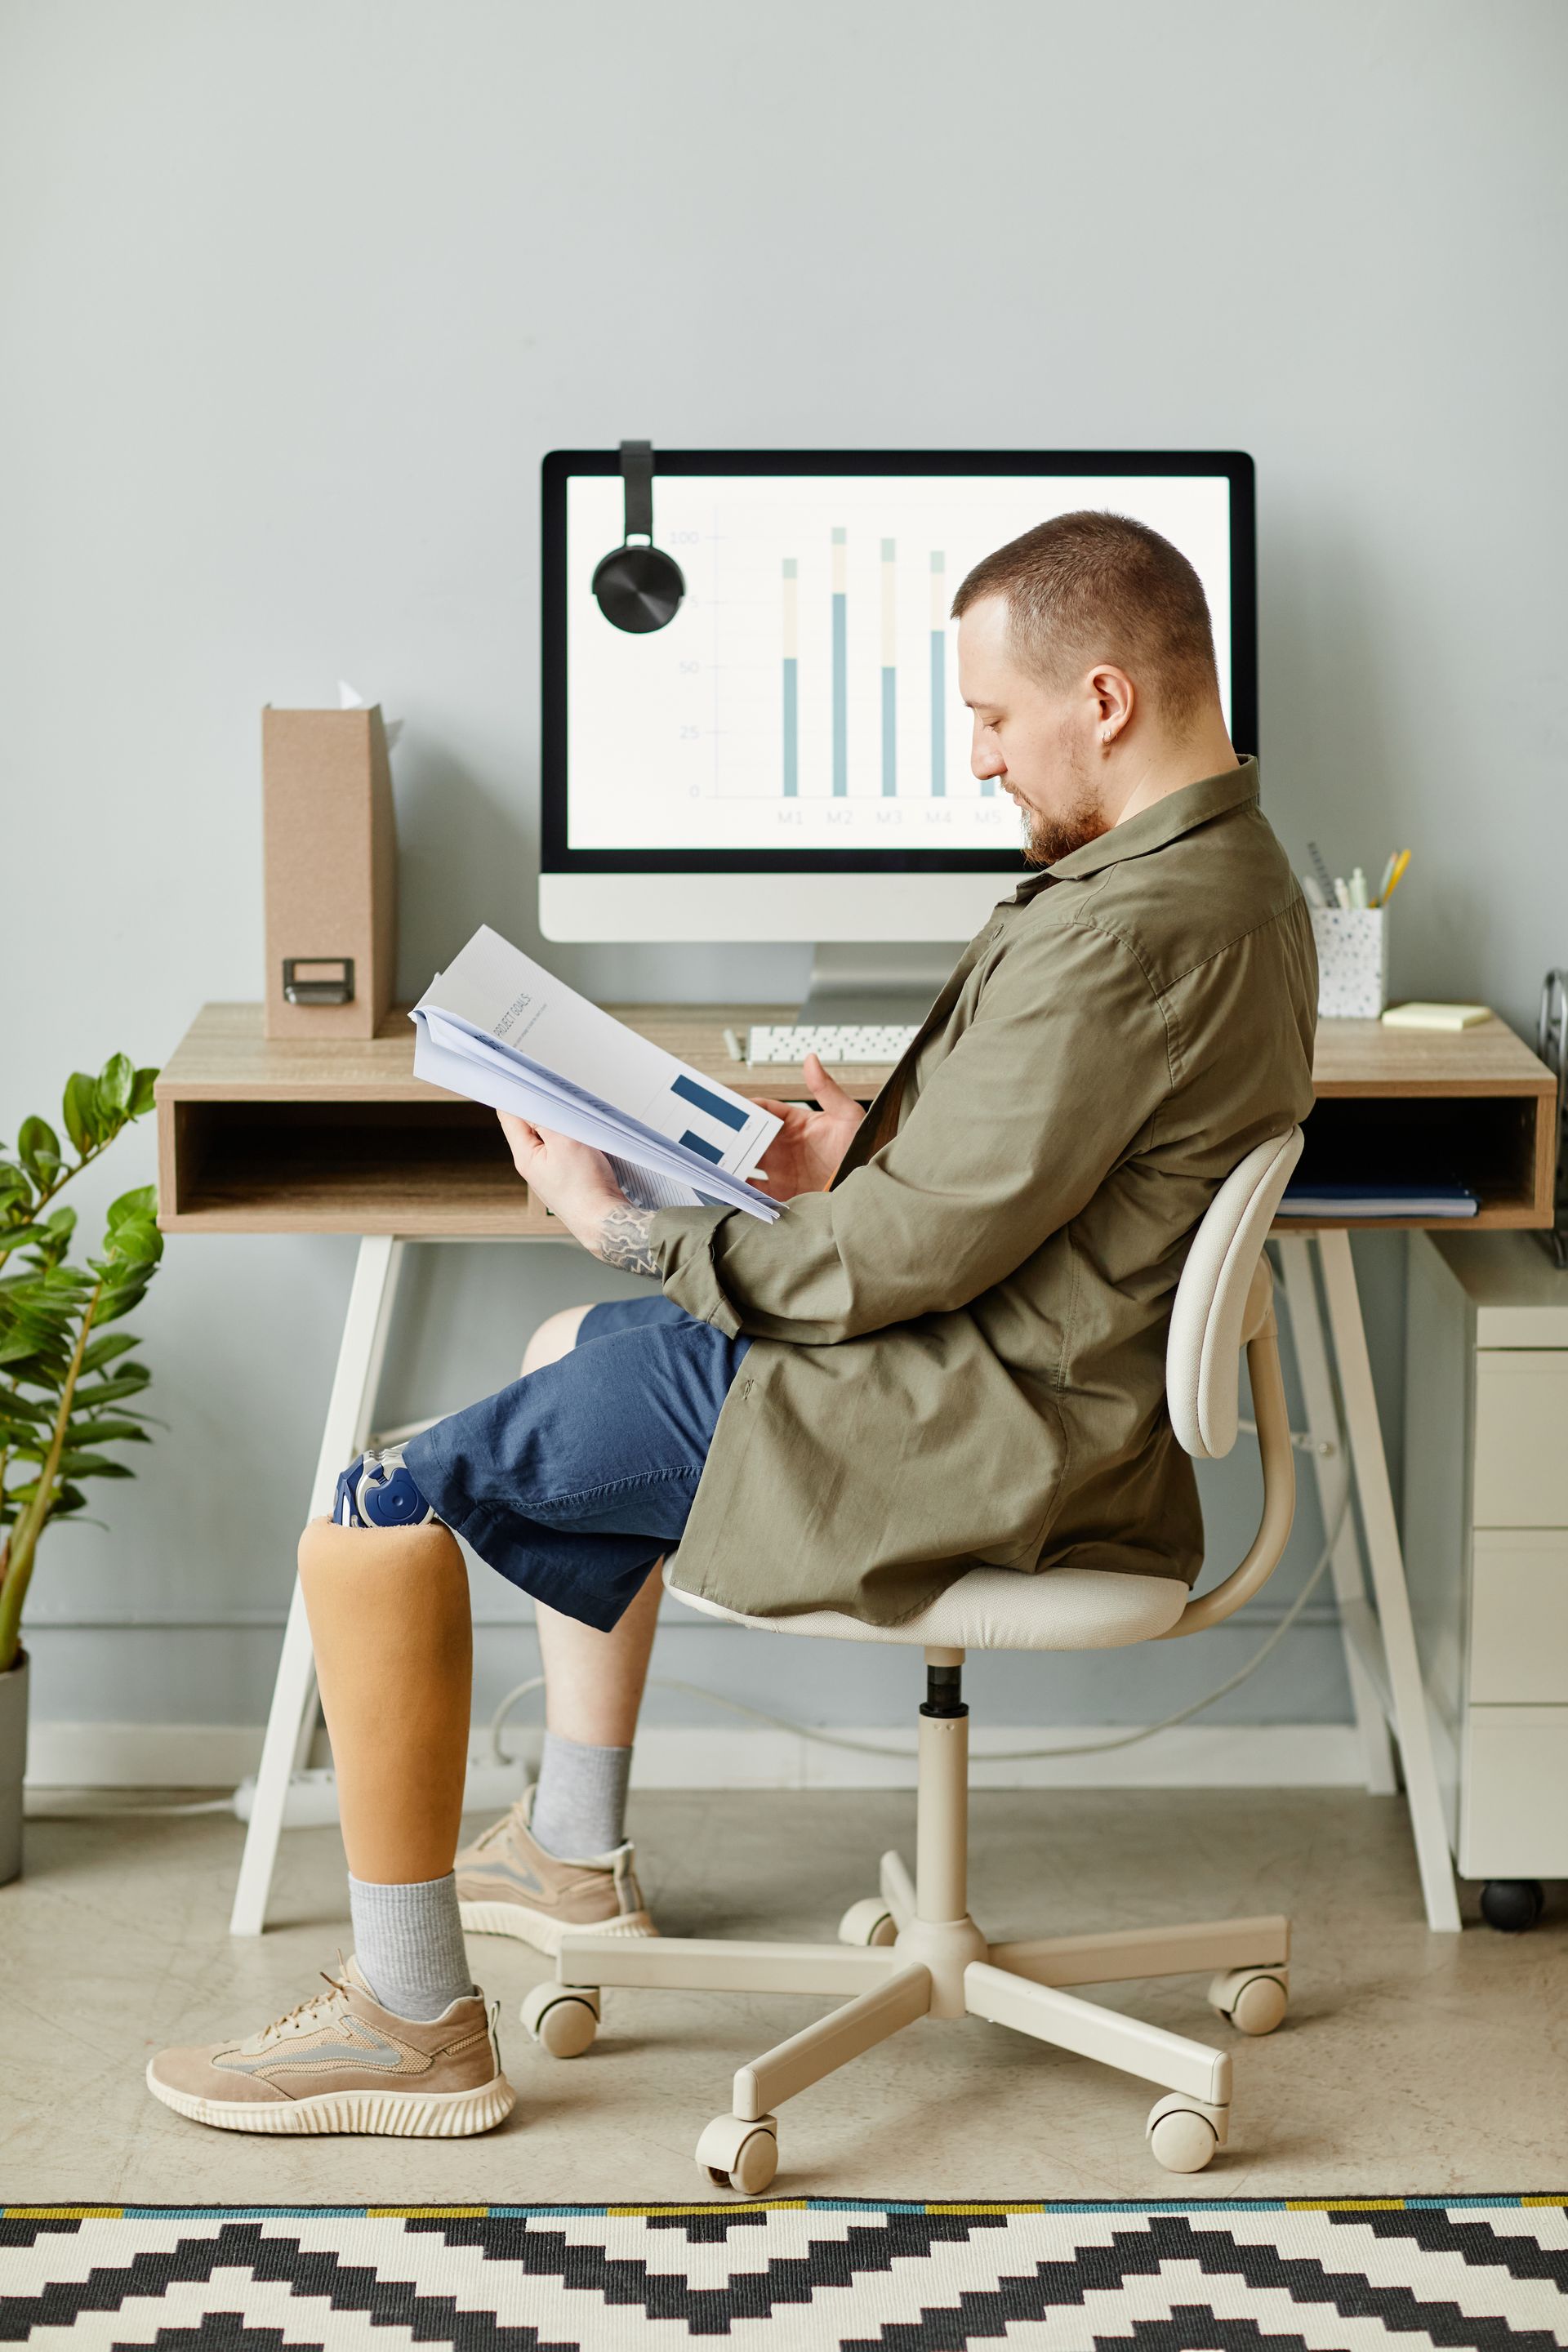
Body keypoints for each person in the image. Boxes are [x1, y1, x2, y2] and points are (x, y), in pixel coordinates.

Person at [146, 510, 1316, 2136]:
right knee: (575, 1366)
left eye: (989, 719)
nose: (978, 760)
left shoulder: (1124, 927)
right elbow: (1045, 1173)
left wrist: (628, 1222)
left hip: (954, 1423)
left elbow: (908, 1253)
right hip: (1015, 1390)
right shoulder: (1222, 874)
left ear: (1103, 700)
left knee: (371, 1503)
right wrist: (864, 1157)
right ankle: (570, 1848)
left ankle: (413, 2027)